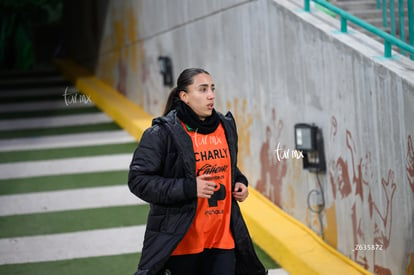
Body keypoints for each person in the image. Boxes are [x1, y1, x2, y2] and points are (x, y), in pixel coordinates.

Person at [128, 68, 267, 275]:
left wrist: (239, 181)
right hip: (182, 242)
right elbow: (138, 180)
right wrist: (189, 188)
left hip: (222, 238)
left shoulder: (225, 126)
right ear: (184, 96)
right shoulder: (162, 133)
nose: (211, 95)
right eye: (202, 90)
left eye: (212, 89)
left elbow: (226, 165)